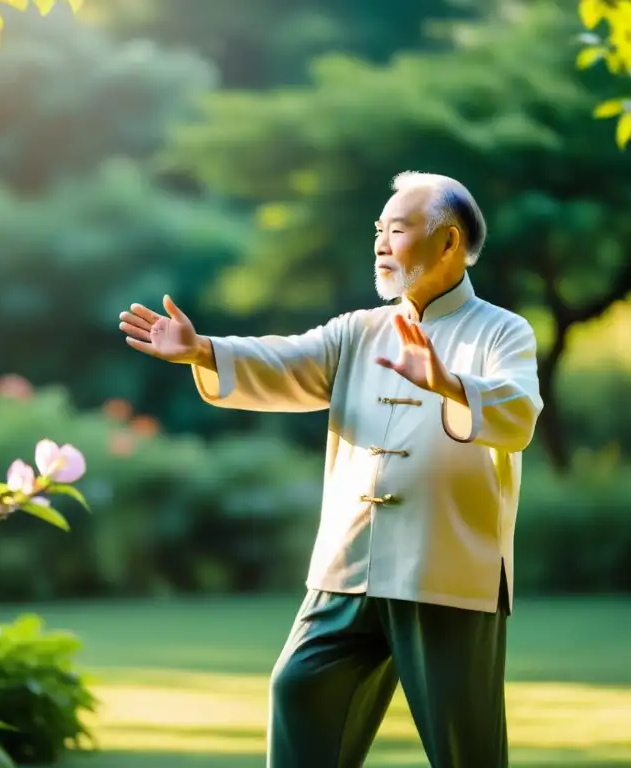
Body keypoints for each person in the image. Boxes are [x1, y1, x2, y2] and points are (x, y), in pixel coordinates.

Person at [119, 171, 543, 768]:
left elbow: (518, 413)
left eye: (396, 229)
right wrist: (203, 350)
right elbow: (284, 360)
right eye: (378, 230)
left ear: (449, 243)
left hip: (447, 570)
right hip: (348, 567)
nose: (379, 243)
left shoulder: (503, 331)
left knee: (463, 746)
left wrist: (446, 382)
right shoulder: (357, 330)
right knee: (298, 688)